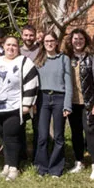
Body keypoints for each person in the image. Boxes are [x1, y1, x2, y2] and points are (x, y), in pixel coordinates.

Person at [0, 36, 39, 181]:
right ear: (3, 46)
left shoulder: (24, 61)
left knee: (12, 137)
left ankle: (14, 167)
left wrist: (26, 104)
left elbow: (32, 82)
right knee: (4, 137)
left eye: (14, 45)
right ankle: (7, 164)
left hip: (14, 107)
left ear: (18, 47)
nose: (11, 48)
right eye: (8, 45)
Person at [65, 29, 94, 178]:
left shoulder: (92, 58)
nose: (78, 41)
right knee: (75, 132)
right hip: (73, 102)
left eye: (81, 39)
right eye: (75, 39)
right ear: (71, 41)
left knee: (91, 131)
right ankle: (79, 161)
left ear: (86, 40)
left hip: (89, 102)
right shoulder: (67, 58)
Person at [33, 31, 72, 177]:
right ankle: (42, 167)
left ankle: (56, 168)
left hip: (59, 98)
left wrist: (67, 105)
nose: (49, 43)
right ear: (43, 43)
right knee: (42, 135)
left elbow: (68, 84)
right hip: (42, 98)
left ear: (56, 42)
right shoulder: (39, 60)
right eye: (46, 41)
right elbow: (33, 83)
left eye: (51, 41)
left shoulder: (64, 59)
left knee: (58, 136)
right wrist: (33, 103)